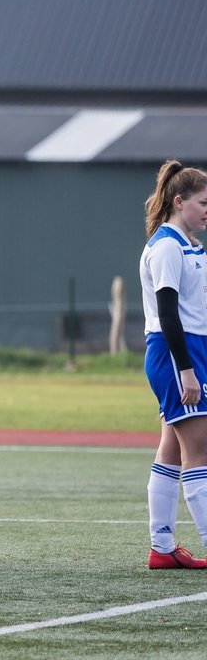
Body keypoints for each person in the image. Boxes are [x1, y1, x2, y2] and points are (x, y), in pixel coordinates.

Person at [139, 159, 207, 569]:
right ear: (179, 202)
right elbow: (168, 314)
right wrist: (186, 370)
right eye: (203, 202)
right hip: (174, 352)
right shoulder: (166, 246)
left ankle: (161, 549)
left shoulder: (190, 246)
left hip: (192, 351)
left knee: (171, 447)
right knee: (199, 449)